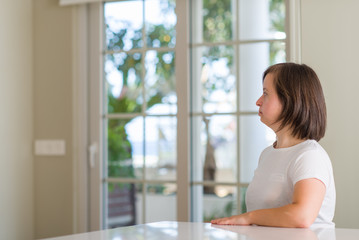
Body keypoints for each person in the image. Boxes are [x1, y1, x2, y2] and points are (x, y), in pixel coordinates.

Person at [211, 63, 336, 228]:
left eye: (265, 93)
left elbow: (302, 216)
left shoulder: (310, 156)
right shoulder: (267, 154)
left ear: (290, 100)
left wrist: (248, 218)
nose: (258, 101)